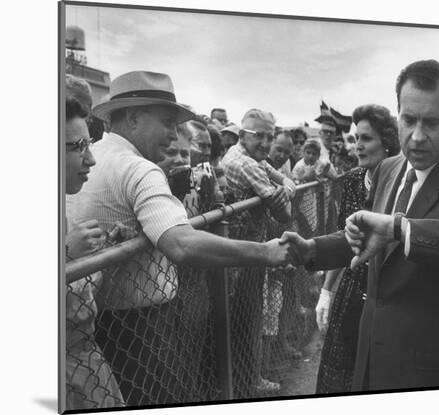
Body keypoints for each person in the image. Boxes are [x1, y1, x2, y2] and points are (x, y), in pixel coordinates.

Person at [281, 59, 439, 391]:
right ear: (398, 114)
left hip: (423, 371)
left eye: (432, 123)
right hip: (368, 359)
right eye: (409, 120)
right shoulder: (389, 169)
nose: (417, 137)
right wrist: (314, 249)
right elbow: (367, 236)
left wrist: (403, 229)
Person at [66, 71, 294, 404]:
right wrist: (265, 252)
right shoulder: (137, 168)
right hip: (143, 329)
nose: (174, 137)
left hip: (98, 326)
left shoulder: (91, 157)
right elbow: (181, 243)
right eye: (167, 123)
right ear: (132, 118)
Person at [315, 104, 400, 394]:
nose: (358, 146)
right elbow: (344, 241)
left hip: (388, 293)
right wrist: (326, 292)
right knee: (342, 376)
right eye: (355, 138)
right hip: (351, 290)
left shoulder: (403, 182)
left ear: (387, 142)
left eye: (366, 139)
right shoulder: (351, 180)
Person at [220, 108, 297, 395]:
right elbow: (285, 213)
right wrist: (284, 192)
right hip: (241, 256)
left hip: (247, 250)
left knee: (249, 318)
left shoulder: (253, 158)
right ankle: (247, 383)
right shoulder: (247, 164)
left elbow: (286, 183)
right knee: (247, 320)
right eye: (259, 137)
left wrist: (284, 189)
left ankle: (244, 381)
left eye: (270, 136)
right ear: (242, 135)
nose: (266, 144)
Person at [64, 91, 127, 410]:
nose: (90, 159)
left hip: (87, 363)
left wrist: (100, 250)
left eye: (89, 144)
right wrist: (65, 255)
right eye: (78, 147)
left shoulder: (63, 204)